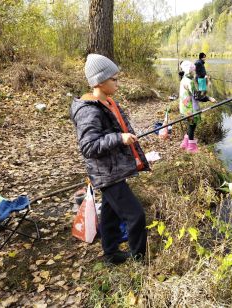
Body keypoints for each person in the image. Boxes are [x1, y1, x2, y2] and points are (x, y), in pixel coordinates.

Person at [70, 54, 150, 265]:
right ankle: (139, 260)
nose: (118, 83)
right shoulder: (88, 110)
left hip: (113, 170)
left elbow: (115, 130)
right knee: (136, 215)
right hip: (107, 174)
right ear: (99, 82)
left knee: (110, 214)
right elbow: (88, 146)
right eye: (114, 79)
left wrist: (126, 136)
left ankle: (111, 254)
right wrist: (119, 138)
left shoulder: (107, 102)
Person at [179, 60, 216, 153]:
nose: (194, 72)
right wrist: (209, 98)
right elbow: (197, 96)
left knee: (189, 125)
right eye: (193, 71)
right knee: (192, 126)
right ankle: (191, 148)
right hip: (190, 109)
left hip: (184, 108)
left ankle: (185, 143)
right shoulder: (190, 82)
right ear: (189, 71)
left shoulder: (183, 79)